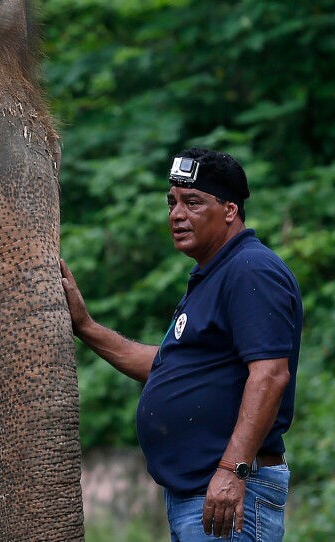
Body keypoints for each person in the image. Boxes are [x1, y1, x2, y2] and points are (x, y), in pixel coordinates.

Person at [60, 148, 302, 541]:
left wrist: (231, 471)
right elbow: (168, 366)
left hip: (230, 492)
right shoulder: (212, 276)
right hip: (198, 495)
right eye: (172, 202)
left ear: (229, 210)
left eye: (193, 202)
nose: (176, 214)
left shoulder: (250, 269)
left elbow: (271, 374)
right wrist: (85, 326)